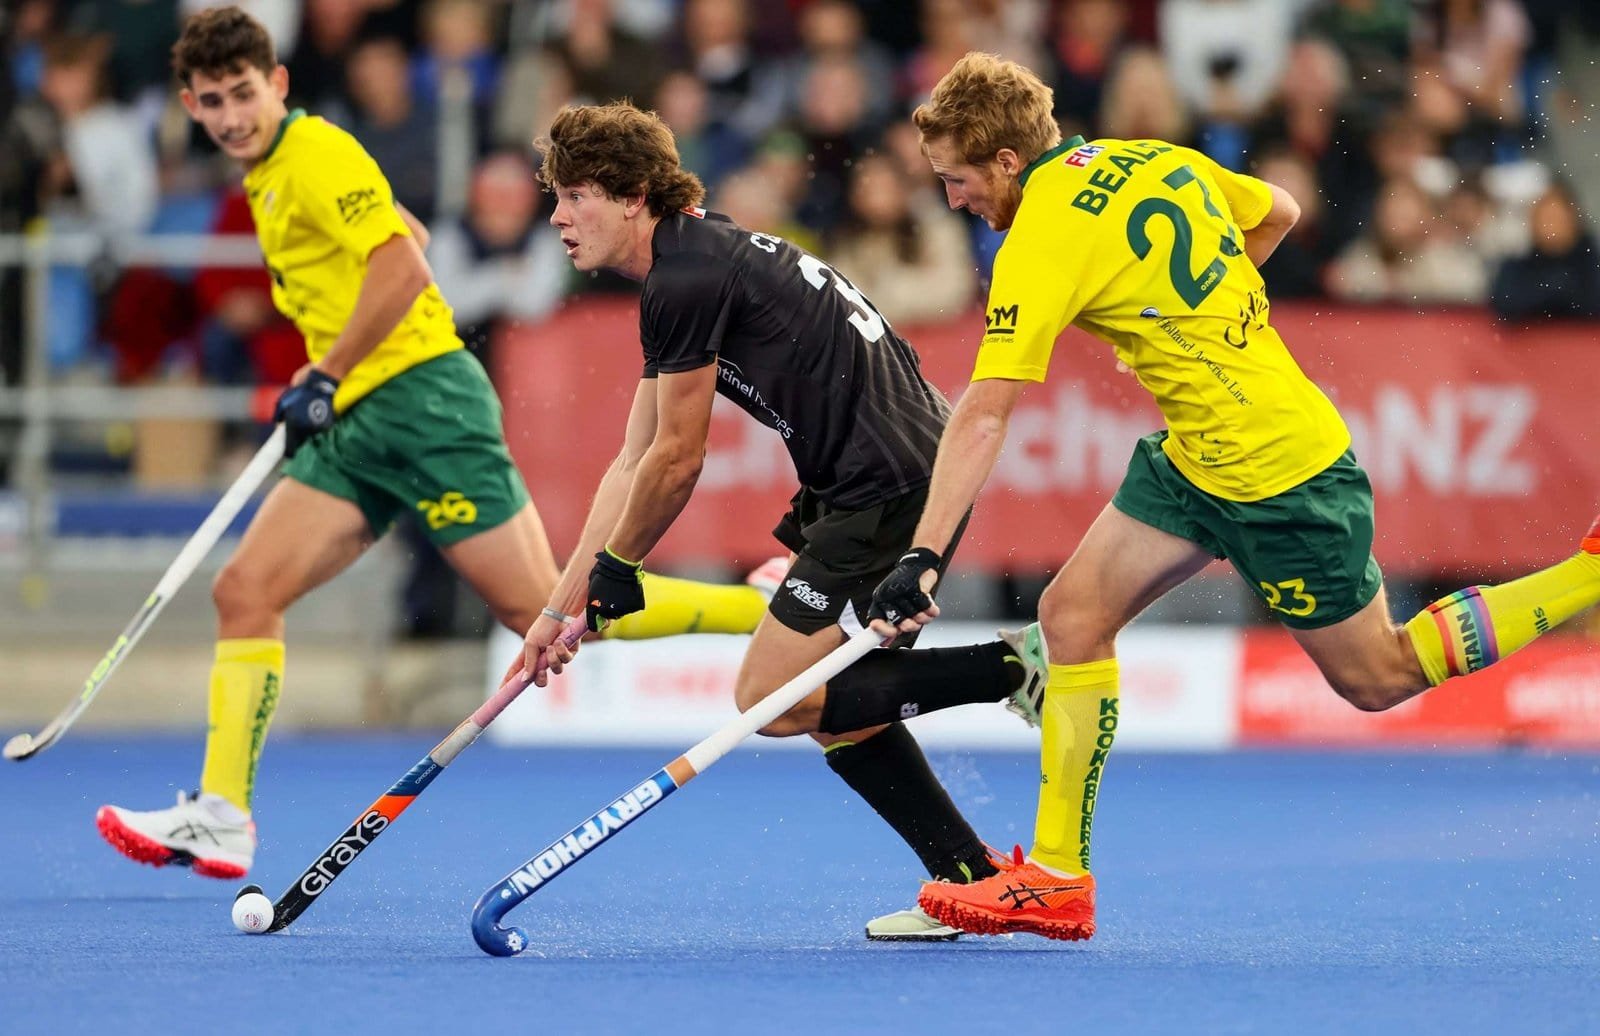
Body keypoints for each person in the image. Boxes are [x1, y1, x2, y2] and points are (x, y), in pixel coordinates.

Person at [861, 51, 1600, 942]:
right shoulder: (1151, 156)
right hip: (1199, 455)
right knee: (1072, 614)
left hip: (1277, 471)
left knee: (1379, 674)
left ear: (1008, 162)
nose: (953, 199)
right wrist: (1197, 314)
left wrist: (924, 556)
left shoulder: (1040, 238)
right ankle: (1057, 877)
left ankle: (1587, 575)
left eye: (959, 179)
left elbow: (984, 412)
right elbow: (1279, 212)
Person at [94, 6, 772, 882]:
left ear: (280, 84)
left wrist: (328, 371)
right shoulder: (266, 171)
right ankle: (222, 814)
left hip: (422, 404)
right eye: (212, 100)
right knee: (246, 589)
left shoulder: (314, 155)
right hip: (360, 423)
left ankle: (768, 610)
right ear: (189, 102)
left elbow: (406, 268)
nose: (230, 114)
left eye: (244, 93)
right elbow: (404, 232)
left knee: (543, 616)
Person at [516, 101, 1043, 941]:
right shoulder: (689, 258)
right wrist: (560, 605)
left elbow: (677, 463)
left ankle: (1014, 670)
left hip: (888, 484)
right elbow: (634, 459)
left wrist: (620, 563)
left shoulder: (686, 277)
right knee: (835, 704)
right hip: (872, 479)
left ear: (631, 197)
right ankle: (974, 881)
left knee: (772, 696)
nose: (556, 217)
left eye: (574, 195)